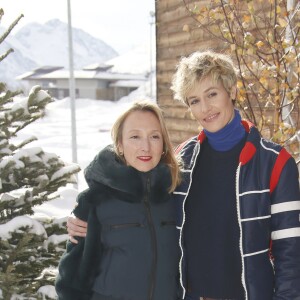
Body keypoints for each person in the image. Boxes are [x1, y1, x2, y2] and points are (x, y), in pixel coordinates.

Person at [66, 50, 300, 300]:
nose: (205, 108)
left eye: (212, 94)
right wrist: (85, 216)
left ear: (231, 91)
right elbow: (138, 193)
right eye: (194, 100)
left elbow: (291, 253)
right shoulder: (182, 160)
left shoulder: (274, 163)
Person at [55, 100, 183, 300]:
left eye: (154, 136)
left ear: (164, 144)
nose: (145, 147)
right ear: (120, 145)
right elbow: (72, 281)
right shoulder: (95, 201)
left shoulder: (177, 196)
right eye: (135, 137)